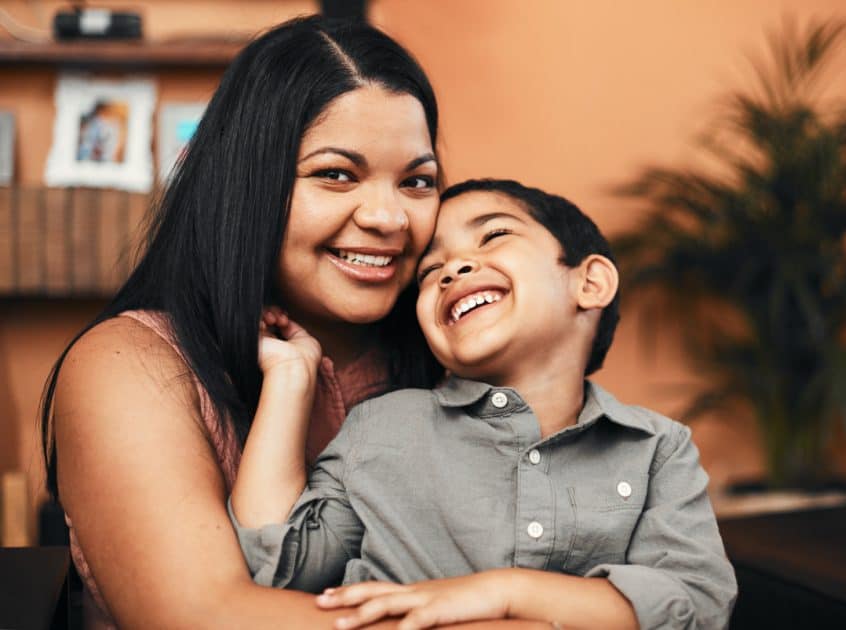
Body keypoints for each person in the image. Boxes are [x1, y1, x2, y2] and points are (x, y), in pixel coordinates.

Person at [39, 16, 527, 629]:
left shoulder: (452, 356)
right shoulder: (126, 366)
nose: (388, 216)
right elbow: (206, 617)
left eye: (416, 181)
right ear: (249, 182)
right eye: (336, 174)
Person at [231, 179, 738, 630]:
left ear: (590, 283)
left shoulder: (658, 448)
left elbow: (697, 602)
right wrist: (288, 378)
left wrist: (502, 594)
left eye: (493, 235)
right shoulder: (380, 428)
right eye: (430, 271)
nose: (453, 269)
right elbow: (278, 564)